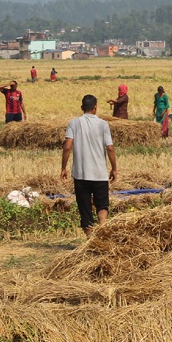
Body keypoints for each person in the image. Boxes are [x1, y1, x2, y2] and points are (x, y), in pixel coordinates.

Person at [60, 94, 117, 236]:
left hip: (81, 174)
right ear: (96, 107)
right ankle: (102, 229)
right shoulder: (103, 124)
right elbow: (110, 148)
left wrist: (63, 168)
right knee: (102, 205)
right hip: (99, 173)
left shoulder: (73, 123)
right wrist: (114, 168)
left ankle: (90, 239)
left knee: (85, 209)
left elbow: (67, 147)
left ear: (82, 108)